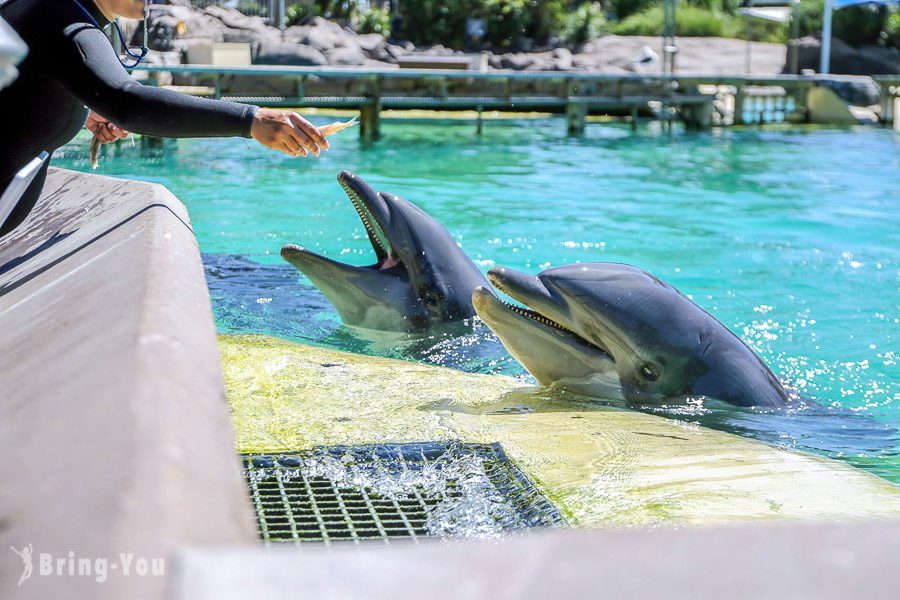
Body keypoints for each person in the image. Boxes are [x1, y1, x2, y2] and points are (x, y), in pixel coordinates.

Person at [0, 0, 329, 237]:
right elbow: (126, 100)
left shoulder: (50, 10)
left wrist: (80, 106)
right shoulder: (62, 19)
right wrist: (250, 119)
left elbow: (26, 91)